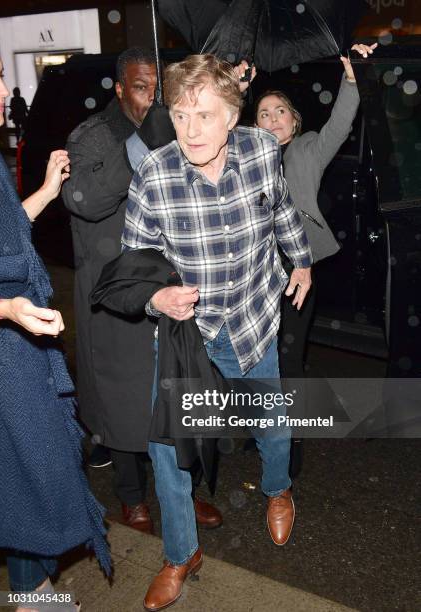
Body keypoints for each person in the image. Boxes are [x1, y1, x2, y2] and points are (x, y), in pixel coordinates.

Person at [122, 53, 312, 611]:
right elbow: (134, 265)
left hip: (253, 320)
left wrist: (300, 261)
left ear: (233, 115)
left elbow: (280, 211)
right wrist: (155, 295)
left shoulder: (261, 151)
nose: (191, 130)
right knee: (167, 450)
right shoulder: (155, 174)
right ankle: (181, 553)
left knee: (272, 427)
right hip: (189, 336)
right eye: (180, 116)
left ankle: (279, 491)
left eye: (204, 115)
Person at [62, 47, 222, 533]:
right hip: (113, 291)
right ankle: (132, 495)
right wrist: (140, 145)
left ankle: (182, 494)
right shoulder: (93, 136)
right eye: (140, 86)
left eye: (158, 88)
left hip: (163, 285)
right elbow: (83, 200)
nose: (151, 97)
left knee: (172, 394)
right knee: (121, 400)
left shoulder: (178, 131)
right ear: (118, 89)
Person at [0, 58, 110, 611]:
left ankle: (32, 586)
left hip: (13, 348)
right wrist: (7, 308)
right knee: (22, 470)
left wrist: (44, 190)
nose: (4, 90)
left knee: (27, 467)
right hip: (5, 340)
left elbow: (5, 236)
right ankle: (32, 590)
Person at [254, 43, 377, 391]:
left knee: (288, 353)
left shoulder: (308, 149)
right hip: (252, 268)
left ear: (294, 121)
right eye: (264, 113)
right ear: (254, 124)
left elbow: (338, 127)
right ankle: (259, 429)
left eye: (280, 111)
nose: (273, 118)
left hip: (295, 267)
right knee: (254, 353)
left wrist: (351, 80)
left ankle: (291, 439)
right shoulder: (244, 158)